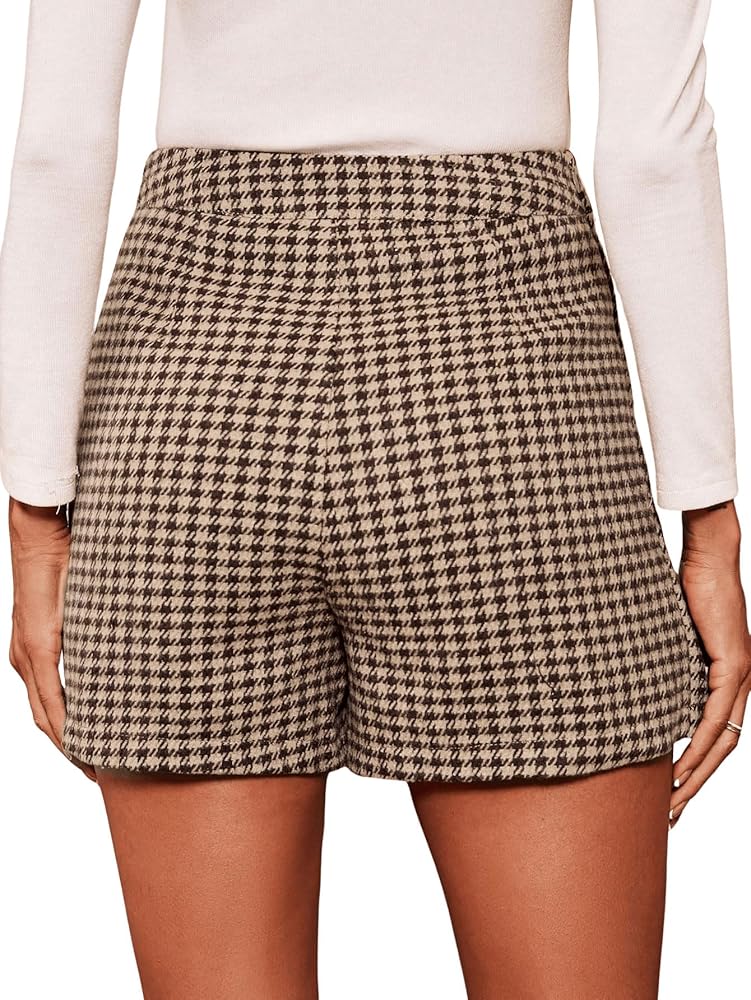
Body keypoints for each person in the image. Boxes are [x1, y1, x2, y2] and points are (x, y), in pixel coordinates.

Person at [1, 1, 749, 997]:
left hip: (194, 381)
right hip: (502, 379)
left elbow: (59, 140)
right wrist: (705, 518)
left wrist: (35, 517)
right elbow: (655, 150)